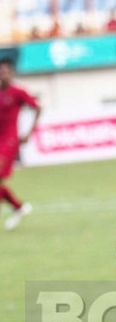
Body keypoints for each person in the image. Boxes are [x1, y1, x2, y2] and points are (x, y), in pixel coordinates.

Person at [0, 58, 41, 231]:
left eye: (6, 72)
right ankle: (19, 207)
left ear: (11, 73)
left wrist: (29, 133)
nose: (3, 74)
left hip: (9, 141)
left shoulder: (18, 92)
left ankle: (18, 207)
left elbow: (37, 108)